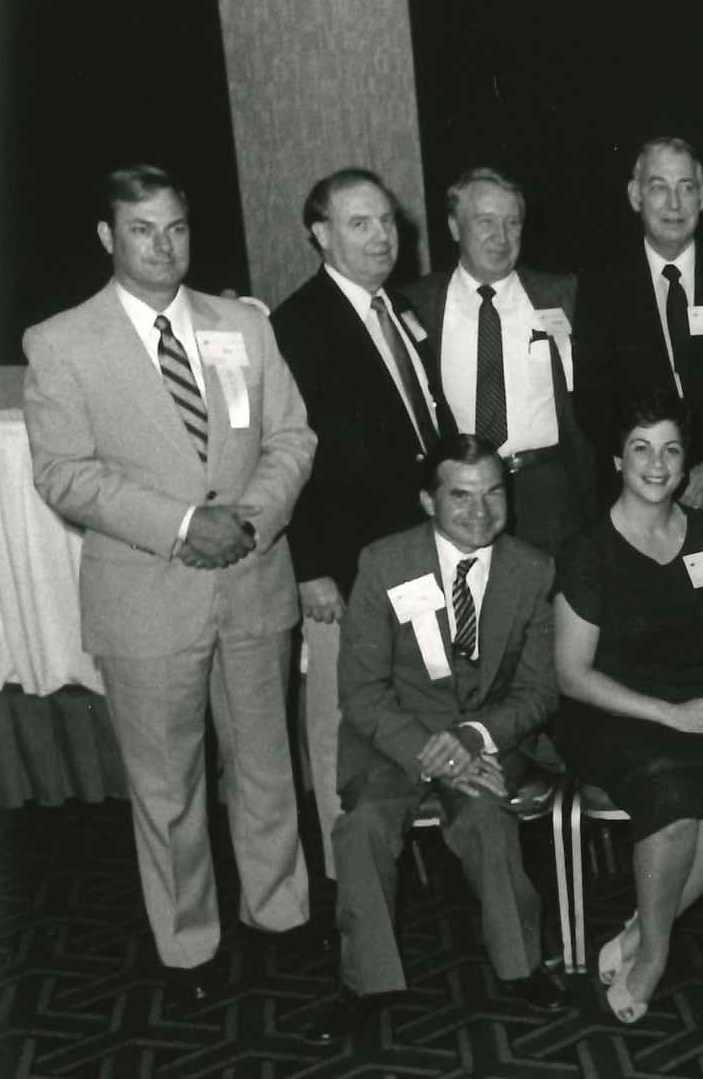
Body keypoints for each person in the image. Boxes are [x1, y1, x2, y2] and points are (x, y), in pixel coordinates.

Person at [22, 164, 319, 1005]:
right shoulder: (62, 343)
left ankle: (281, 917)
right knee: (169, 786)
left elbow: (292, 437)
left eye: (177, 227)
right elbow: (65, 477)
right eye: (144, 230)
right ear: (108, 238)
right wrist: (188, 525)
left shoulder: (244, 327)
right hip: (149, 596)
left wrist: (251, 519)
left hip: (255, 578)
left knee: (265, 767)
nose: (164, 246)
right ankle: (190, 946)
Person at [301, 436, 567, 1044]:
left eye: (494, 493)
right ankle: (365, 982)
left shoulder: (532, 571)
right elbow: (361, 691)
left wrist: (471, 738)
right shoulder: (384, 564)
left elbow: (539, 692)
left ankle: (520, 967)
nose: (481, 512)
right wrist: (431, 749)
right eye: (461, 496)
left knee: (486, 818)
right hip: (395, 737)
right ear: (428, 501)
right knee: (363, 825)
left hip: (486, 739)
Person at [553, 393, 703, 1023]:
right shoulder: (589, 549)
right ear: (618, 459)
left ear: (684, 464)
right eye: (642, 448)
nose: (657, 464)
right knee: (673, 800)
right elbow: (572, 675)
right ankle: (653, 951)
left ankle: (636, 928)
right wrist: (670, 715)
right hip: (614, 713)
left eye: (671, 450)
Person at [273, 167, 443, 879]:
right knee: (336, 720)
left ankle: (411, 849)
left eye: (387, 223)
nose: (381, 237)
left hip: (412, 553)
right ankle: (350, 880)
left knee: (410, 700)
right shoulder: (296, 324)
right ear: (321, 235)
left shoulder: (397, 309)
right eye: (359, 224)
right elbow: (286, 451)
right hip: (340, 565)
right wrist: (308, 564)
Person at [576, 138, 703, 551]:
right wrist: (664, 476)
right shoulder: (601, 288)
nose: (674, 203)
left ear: (702, 197)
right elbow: (593, 399)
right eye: (659, 187)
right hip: (638, 504)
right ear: (635, 195)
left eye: (686, 187)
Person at [402, 167, 595, 556]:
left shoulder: (564, 295)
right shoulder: (414, 306)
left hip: (549, 493)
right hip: (461, 496)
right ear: (455, 226)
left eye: (511, 222)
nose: (500, 236)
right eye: (485, 221)